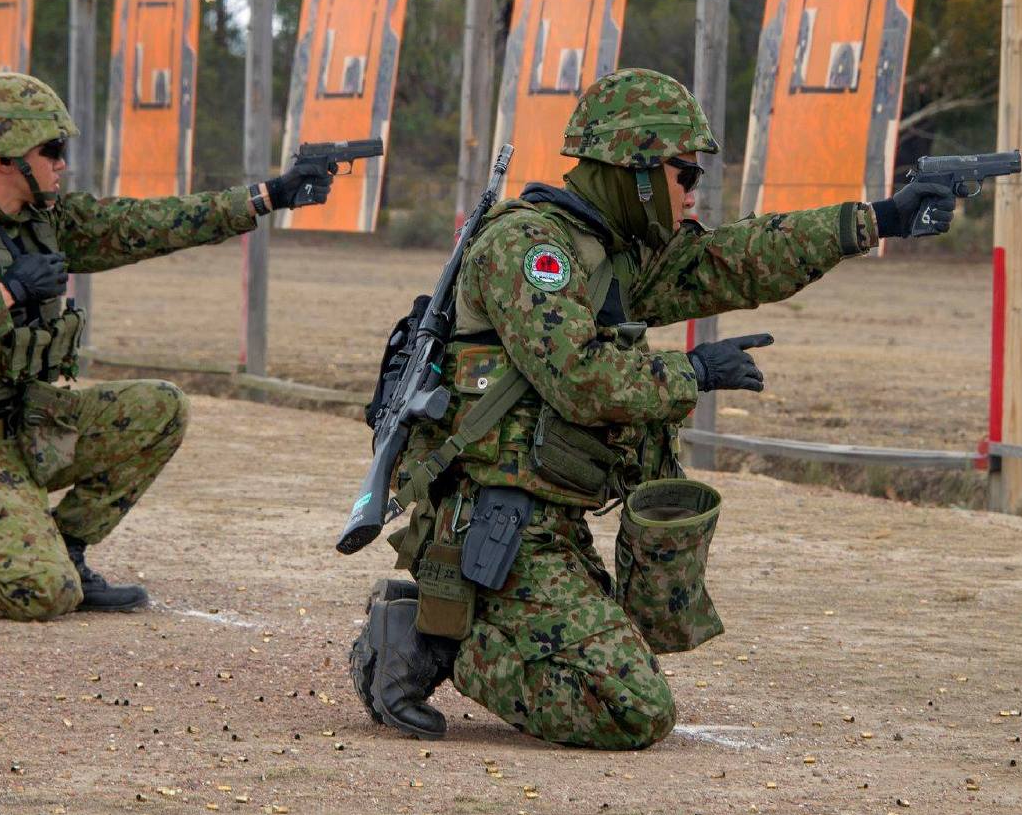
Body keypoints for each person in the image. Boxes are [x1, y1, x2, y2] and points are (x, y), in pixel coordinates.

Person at [350, 67, 957, 750]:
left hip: (542, 521)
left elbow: (736, 259)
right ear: (635, 171)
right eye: (684, 176)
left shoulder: (610, 251)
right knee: (632, 709)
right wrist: (691, 371)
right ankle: (431, 639)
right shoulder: (531, 250)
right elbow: (578, 377)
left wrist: (880, 219)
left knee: (619, 657)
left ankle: (446, 621)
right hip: (493, 524)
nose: (692, 193)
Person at [0, 71, 333, 620]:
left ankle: (68, 546)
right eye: (51, 150)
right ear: (5, 158)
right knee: (41, 595)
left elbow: (149, 223)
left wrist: (269, 196)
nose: (62, 163)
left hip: (25, 425)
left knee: (159, 408)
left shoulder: (43, 222)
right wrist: (8, 293)